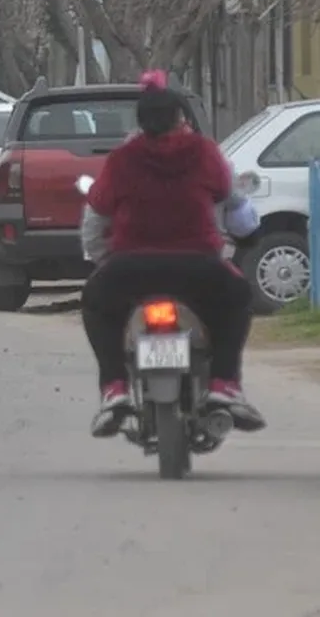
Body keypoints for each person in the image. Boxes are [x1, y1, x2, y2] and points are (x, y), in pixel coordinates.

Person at [79, 72, 264, 438]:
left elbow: (96, 214)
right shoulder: (205, 153)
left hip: (131, 268)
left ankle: (115, 387)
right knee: (238, 298)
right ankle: (224, 382)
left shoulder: (121, 159)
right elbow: (230, 199)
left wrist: (102, 261)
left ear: (141, 122)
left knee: (95, 302)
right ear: (181, 118)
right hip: (198, 266)